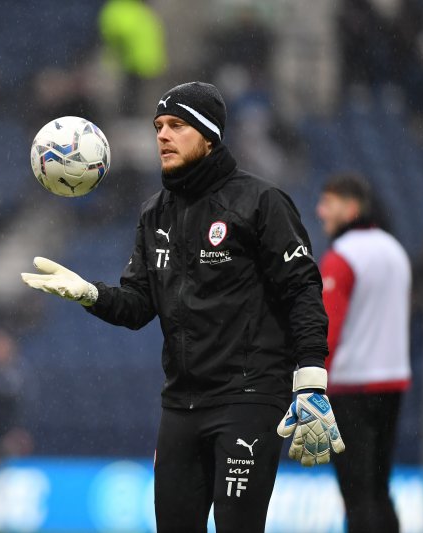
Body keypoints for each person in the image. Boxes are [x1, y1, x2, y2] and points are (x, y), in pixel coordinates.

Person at [21, 81, 345, 533]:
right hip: (181, 404)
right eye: (158, 127)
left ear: (209, 136)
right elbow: (137, 307)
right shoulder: (155, 213)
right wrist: (90, 294)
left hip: (248, 398)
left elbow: (303, 290)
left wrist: (310, 382)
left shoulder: (261, 202)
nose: (162, 136)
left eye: (177, 125)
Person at [316, 174, 411, 533]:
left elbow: (327, 330)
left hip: (351, 389)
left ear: (351, 207)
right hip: (392, 382)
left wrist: (311, 383)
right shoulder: (394, 250)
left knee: (356, 495)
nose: (320, 210)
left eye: (328, 202)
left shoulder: (342, 257)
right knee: (379, 489)